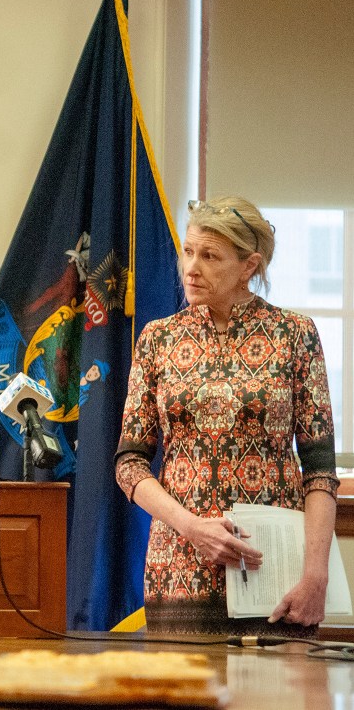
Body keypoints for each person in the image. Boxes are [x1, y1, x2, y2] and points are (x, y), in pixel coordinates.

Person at [115, 196, 338, 635]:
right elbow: (129, 465)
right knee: (179, 702)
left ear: (248, 266)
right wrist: (193, 527)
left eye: (210, 255)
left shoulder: (296, 335)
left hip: (273, 572)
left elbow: (320, 472)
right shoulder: (157, 339)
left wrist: (316, 576)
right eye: (189, 251)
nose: (191, 267)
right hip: (178, 569)